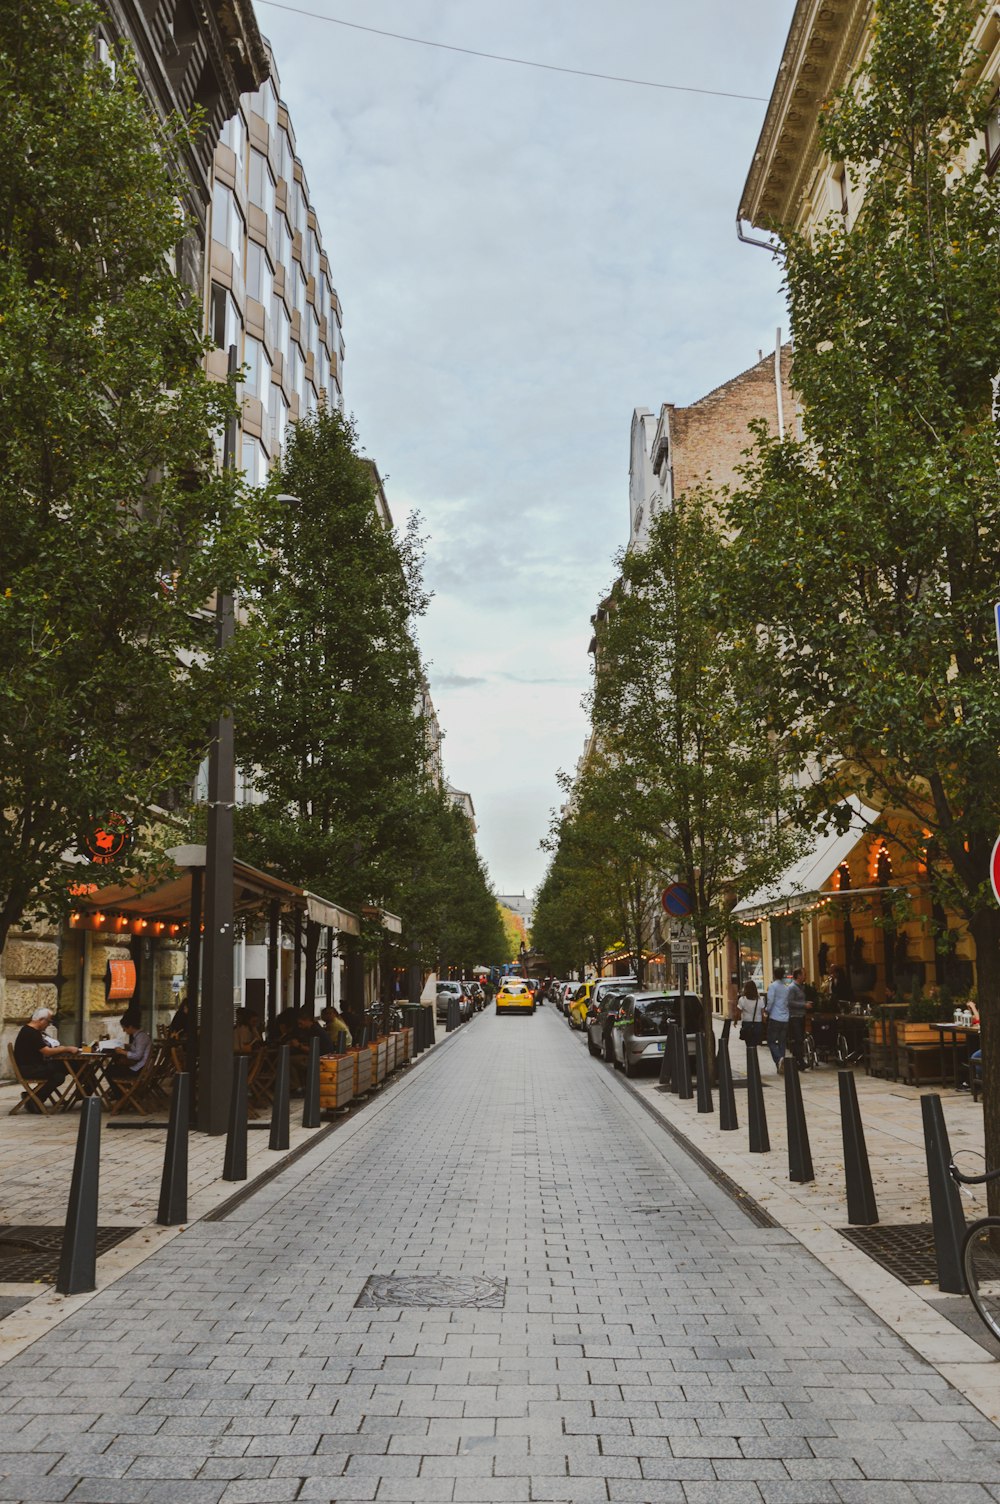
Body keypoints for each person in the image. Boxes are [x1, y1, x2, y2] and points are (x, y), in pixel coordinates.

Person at [13, 1007, 74, 1111]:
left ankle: (33, 1098)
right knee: (66, 1065)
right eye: (48, 1022)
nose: (48, 1025)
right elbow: (46, 1051)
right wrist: (65, 1048)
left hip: (32, 1067)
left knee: (59, 1076)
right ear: (42, 1020)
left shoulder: (29, 1030)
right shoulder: (32, 1032)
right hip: (30, 1069)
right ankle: (84, 1087)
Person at [108, 1010, 152, 1089]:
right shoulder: (139, 1036)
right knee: (115, 1066)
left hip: (139, 1069)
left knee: (110, 1070)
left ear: (130, 1026)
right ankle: (123, 1091)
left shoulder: (141, 1037)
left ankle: (120, 1094)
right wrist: (125, 1046)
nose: (124, 1031)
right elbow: (136, 1048)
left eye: (125, 1028)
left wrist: (123, 1052)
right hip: (140, 1067)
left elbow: (138, 1056)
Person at [764, 965, 791, 1073]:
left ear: (774, 975)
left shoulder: (773, 986)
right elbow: (787, 1002)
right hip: (785, 1018)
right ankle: (781, 1064)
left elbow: (770, 1001)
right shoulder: (786, 987)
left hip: (775, 1017)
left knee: (771, 1041)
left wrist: (766, 1010)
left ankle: (779, 1059)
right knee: (782, 1042)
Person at [785, 967, 812, 1070]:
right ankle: (799, 1061)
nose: (805, 976)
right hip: (795, 1016)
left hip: (801, 1016)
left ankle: (798, 1061)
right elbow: (789, 1002)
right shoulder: (792, 988)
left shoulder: (801, 987)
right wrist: (804, 1005)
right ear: (799, 976)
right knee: (798, 1039)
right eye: (804, 974)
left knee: (800, 1039)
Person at [734, 980, 764, 1046]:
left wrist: (735, 1021)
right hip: (757, 1024)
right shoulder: (760, 1000)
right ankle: (753, 1054)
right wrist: (763, 1023)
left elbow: (738, 1013)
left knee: (748, 1043)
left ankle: (750, 1055)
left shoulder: (742, 999)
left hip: (747, 1023)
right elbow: (762, 1013)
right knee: (755, 1043)